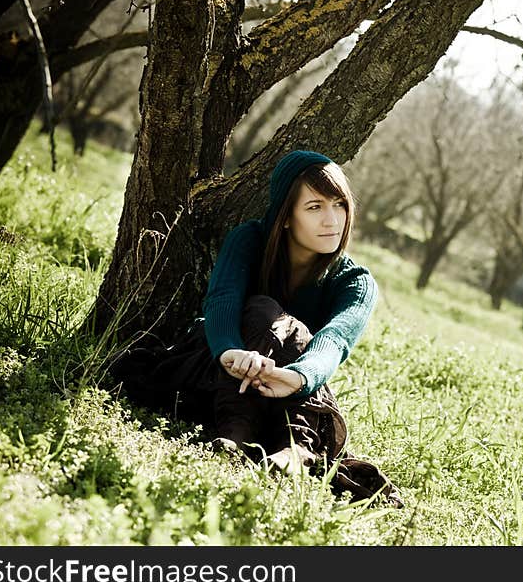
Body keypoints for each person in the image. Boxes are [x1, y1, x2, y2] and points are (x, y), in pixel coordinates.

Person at [110, 150, 402, 507]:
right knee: (263, 309)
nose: (332, 220)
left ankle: (294, 450)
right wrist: (231, 351)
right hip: (217, 377)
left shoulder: (355, 282)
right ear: (285, 217)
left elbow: (336, 338)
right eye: (315, 207)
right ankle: (239, 435)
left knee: (300, 335)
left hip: (290, 398)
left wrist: (297, 377)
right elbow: (222, 299)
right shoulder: (249, 240)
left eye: (339, 205)